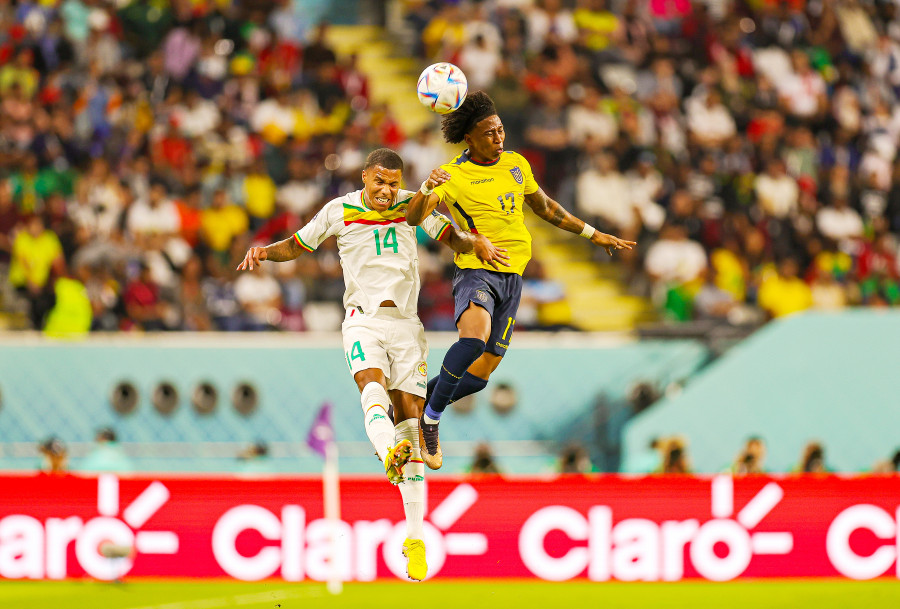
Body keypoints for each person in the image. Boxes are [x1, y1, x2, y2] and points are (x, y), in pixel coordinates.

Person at [237, 148, 505, 581]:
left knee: (412, 430)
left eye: (393, 183)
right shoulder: (338, 210)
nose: (386, 190)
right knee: (371, 390)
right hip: (364, 322)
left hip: (406, 329)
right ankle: (387, 453)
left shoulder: (414, 204)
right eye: (379, 181)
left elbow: (449, 236)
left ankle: (414, 538)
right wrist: (264, 252)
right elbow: (299, 244)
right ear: (364, 176)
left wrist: (476, 244)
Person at [405, 91, 635, 469]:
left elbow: (545, 207)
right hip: (476, 271)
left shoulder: (516, 164)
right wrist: (428, 187)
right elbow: (415, 218)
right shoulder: (454, 174)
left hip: (513, 279)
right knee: (473, 341)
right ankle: (429, 422)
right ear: (469, 138)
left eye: (500, 130)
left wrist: (593, 234)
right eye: (489, 134)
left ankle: (415, 404)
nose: (498, 138)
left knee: (480, 376)